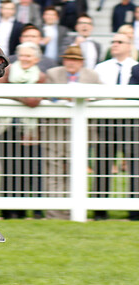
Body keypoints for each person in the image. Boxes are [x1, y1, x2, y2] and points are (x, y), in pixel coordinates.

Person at [43, 45, 101, 219]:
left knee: (74, 171)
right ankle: (53, 213)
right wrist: (63, 97)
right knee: (53, 172)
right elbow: (46, 94)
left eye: (75, 59)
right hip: (56, 131)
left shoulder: (92, 76)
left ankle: (71, 212)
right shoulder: (54, 73)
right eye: (68, 58)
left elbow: (103, 95)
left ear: (81, 62)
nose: (71, 62)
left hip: (81, 133)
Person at [0, 42, 47, 219]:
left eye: (29, 56)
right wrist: (21, 95)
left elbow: (34, 101)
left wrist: (13, 92)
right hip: (7, 129)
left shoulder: (40, 76)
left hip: (29, 131)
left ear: (36, 59)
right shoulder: (8, 71)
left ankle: (29, 210)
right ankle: (9, 211)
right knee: (9, 169)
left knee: (29, 169)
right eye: (22, 55)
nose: (25, 59)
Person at [93, 33, 139, 220]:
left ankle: (134, 209)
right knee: (102, 164)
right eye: (113, 41)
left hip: (131, 122)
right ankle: (100, 210)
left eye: (120, 42)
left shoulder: (134, 67)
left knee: (135, 166)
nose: (115, 44)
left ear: (129, 46)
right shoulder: (101, 67)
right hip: (105, 121)